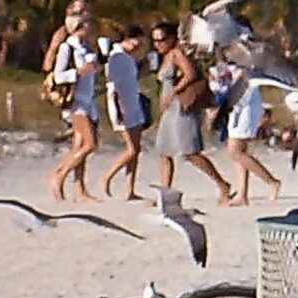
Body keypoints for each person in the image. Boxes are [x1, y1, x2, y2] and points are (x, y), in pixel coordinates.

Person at [148, 21, 234, 204]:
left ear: (172, 38)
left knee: (190, 151)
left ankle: (222, 184)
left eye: (162, 39)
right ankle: (165, 193)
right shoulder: (165, 56)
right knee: (164, 151)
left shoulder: (177, 53)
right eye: (154, 40)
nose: (158, 44)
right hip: (170, 109)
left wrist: (174, 91)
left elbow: (191, 74)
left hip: (182, 107)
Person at [46, 12, 103, 202]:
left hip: (88, 100)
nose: (92, 27)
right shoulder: (66, 47)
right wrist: (78, 72)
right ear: (81, 27)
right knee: (90, 143)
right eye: (88, 24)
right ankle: (58, 175)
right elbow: (58, 75)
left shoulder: (87, 48)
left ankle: (80, 191)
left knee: (79, 146)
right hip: (75, 101)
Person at [101, 25, 151, 201]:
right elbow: (113, 85)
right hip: (121, 105)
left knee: (136, 150)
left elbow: (132, 79)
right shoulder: (116, 56)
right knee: (132, 149)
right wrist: (120, 107)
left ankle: (130, 190)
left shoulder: (129, 58)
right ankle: (107, 177)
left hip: (133, 103)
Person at [224, 69, 282, 204]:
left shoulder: (243, 61)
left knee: (235, 151)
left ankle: (271, 181)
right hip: (238, 105)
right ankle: (242, 194)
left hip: (244, 106)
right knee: (240, 151)